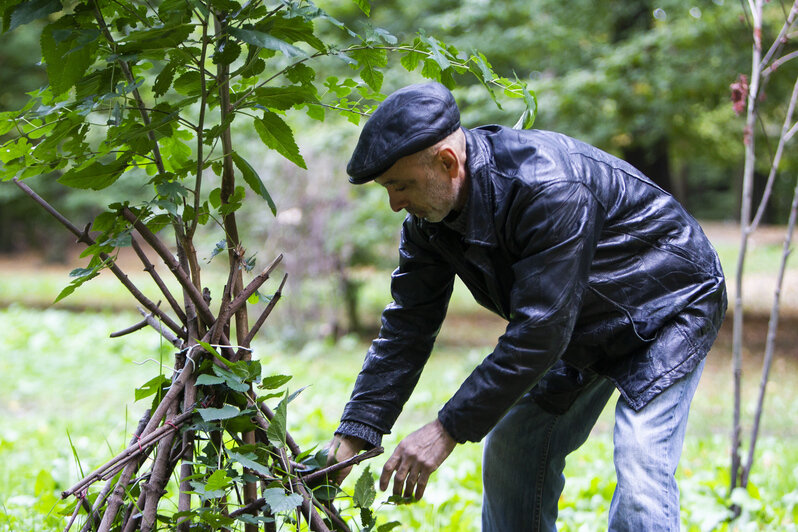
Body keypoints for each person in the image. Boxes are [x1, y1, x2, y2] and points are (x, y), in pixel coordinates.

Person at [327, 82, 727, 531]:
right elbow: (408, 328)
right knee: (514, 444)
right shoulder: (428, 223)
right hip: (579, 318)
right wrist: (357, 430)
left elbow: (540, 332)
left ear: (447, 162)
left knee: (641, 473)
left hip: (669, 302)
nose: (394, 202)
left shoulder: (548, 187)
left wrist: (445, 429)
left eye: (400, 185)